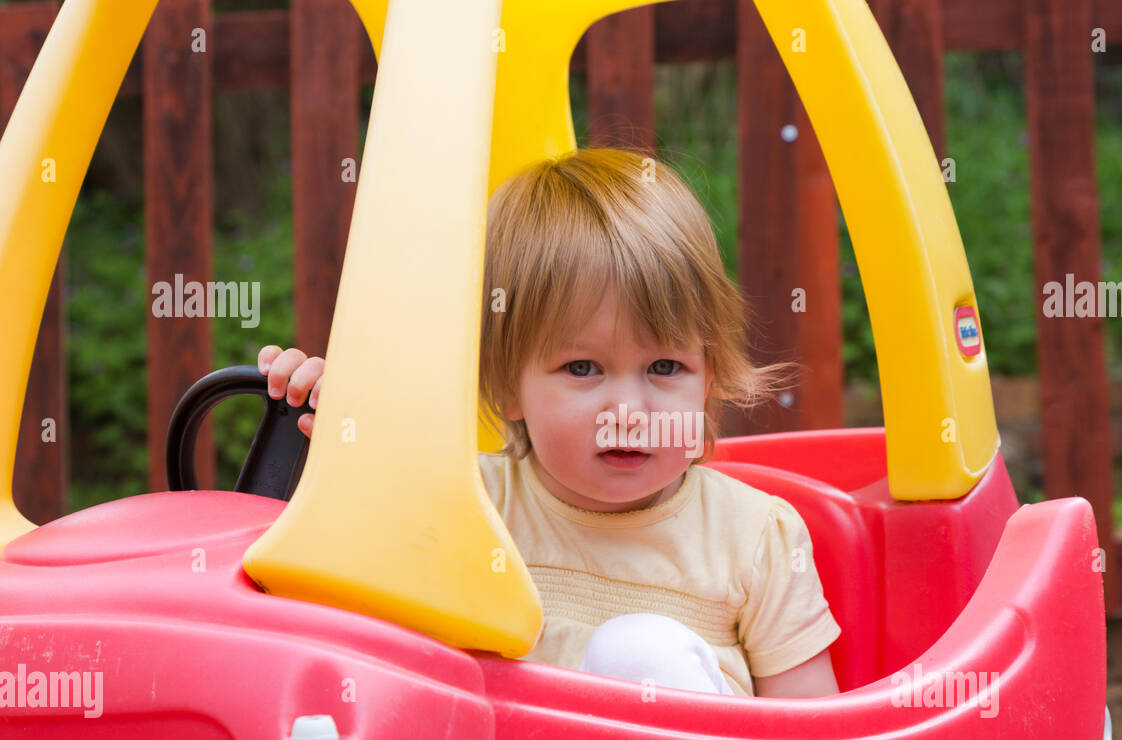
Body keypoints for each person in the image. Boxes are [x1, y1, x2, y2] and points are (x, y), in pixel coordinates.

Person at [258, 147, 841, 698]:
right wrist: (330, 444)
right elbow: (338, 613)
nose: (629, 414)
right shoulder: (469, 509)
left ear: (709, 376)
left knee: (638, 652)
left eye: (666, 366)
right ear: (508, 386)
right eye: (582, 368)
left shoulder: (755, 538)